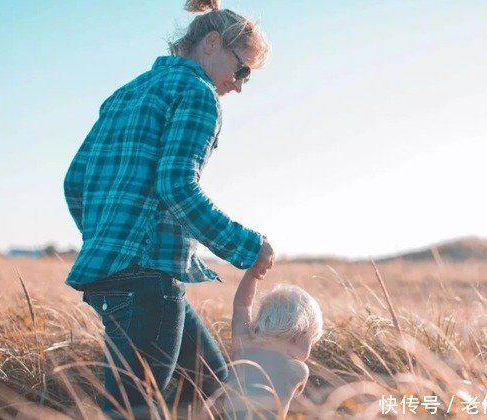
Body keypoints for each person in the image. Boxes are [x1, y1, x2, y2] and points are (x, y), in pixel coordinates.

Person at [62, 0, 273, 416]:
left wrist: (108, 239)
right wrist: (249, 247)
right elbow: (176, 185)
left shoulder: (126, 93)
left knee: (211, 381)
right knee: (131, 409)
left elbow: (74, 182)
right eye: (242, 70)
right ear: (211, 43)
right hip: (147, 277)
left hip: (114, 273)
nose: (239, 85)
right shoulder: (198, 94)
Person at [218, 269, 324, 419]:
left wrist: (252, 274)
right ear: (300, 335)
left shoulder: (244, 346)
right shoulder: (298, 369)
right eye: (311, 341)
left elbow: (242, 305)